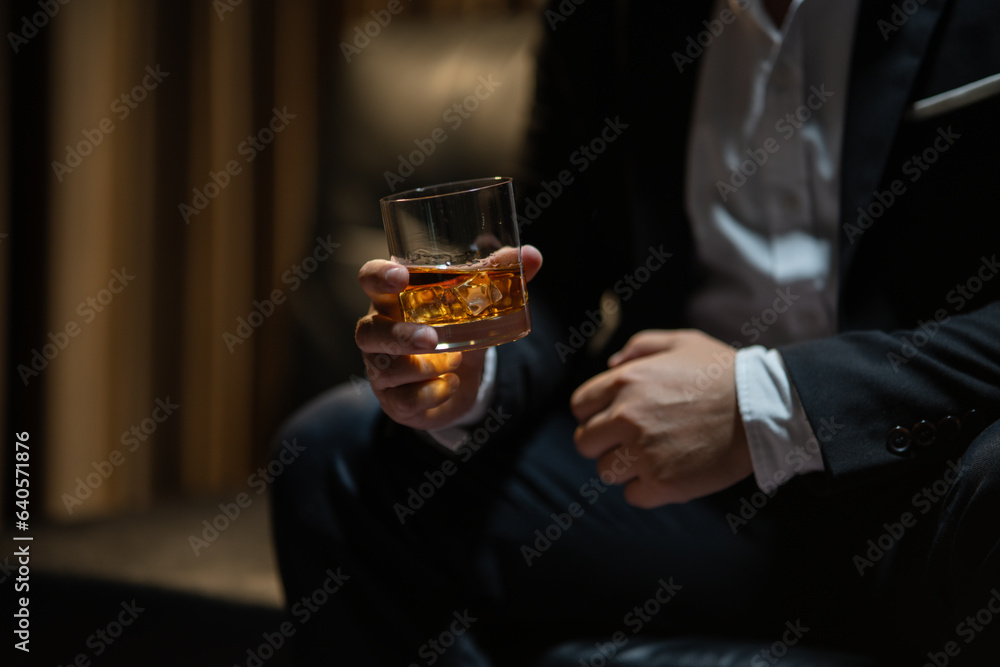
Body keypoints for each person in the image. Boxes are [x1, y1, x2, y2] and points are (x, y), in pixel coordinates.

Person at [270, 0, 1000, 664]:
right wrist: (475, 366)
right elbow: (560, 262)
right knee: (335, 456)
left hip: (931, 479)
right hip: (686, 494)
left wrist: (774, 400)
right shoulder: (608, 15)